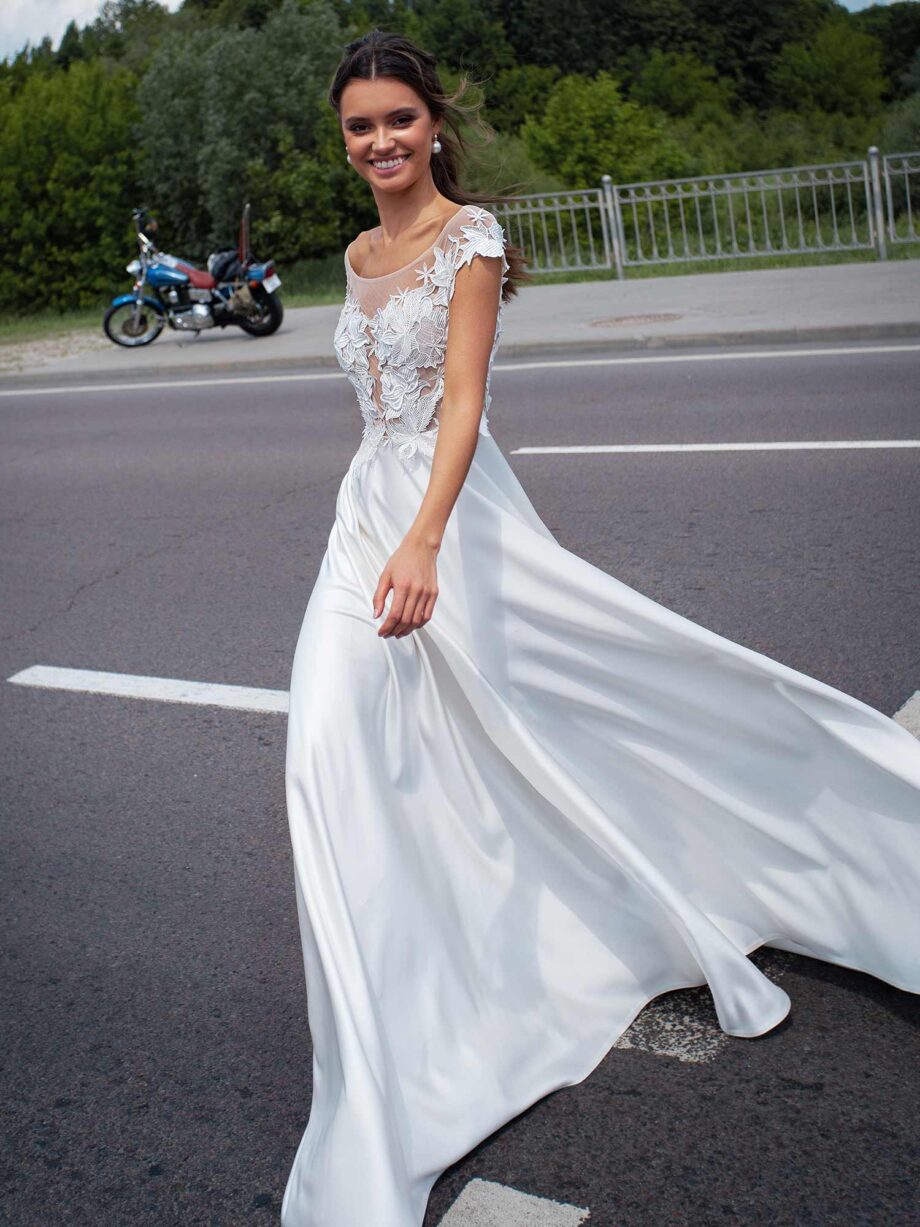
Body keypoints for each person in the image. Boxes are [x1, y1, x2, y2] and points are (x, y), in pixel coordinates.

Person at [282, 29, 920, 1227]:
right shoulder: (357, 248)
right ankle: (382, 1041)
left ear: (433, 123)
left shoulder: (464, 241)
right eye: (358, 126)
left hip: (449, 518)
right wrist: (384, 528)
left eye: (396, 120)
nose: (379, 142)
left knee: (596, 695)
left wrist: (422, 541)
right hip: (357, 515)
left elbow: (463, 404)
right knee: (328, 749)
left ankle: (842, 836)